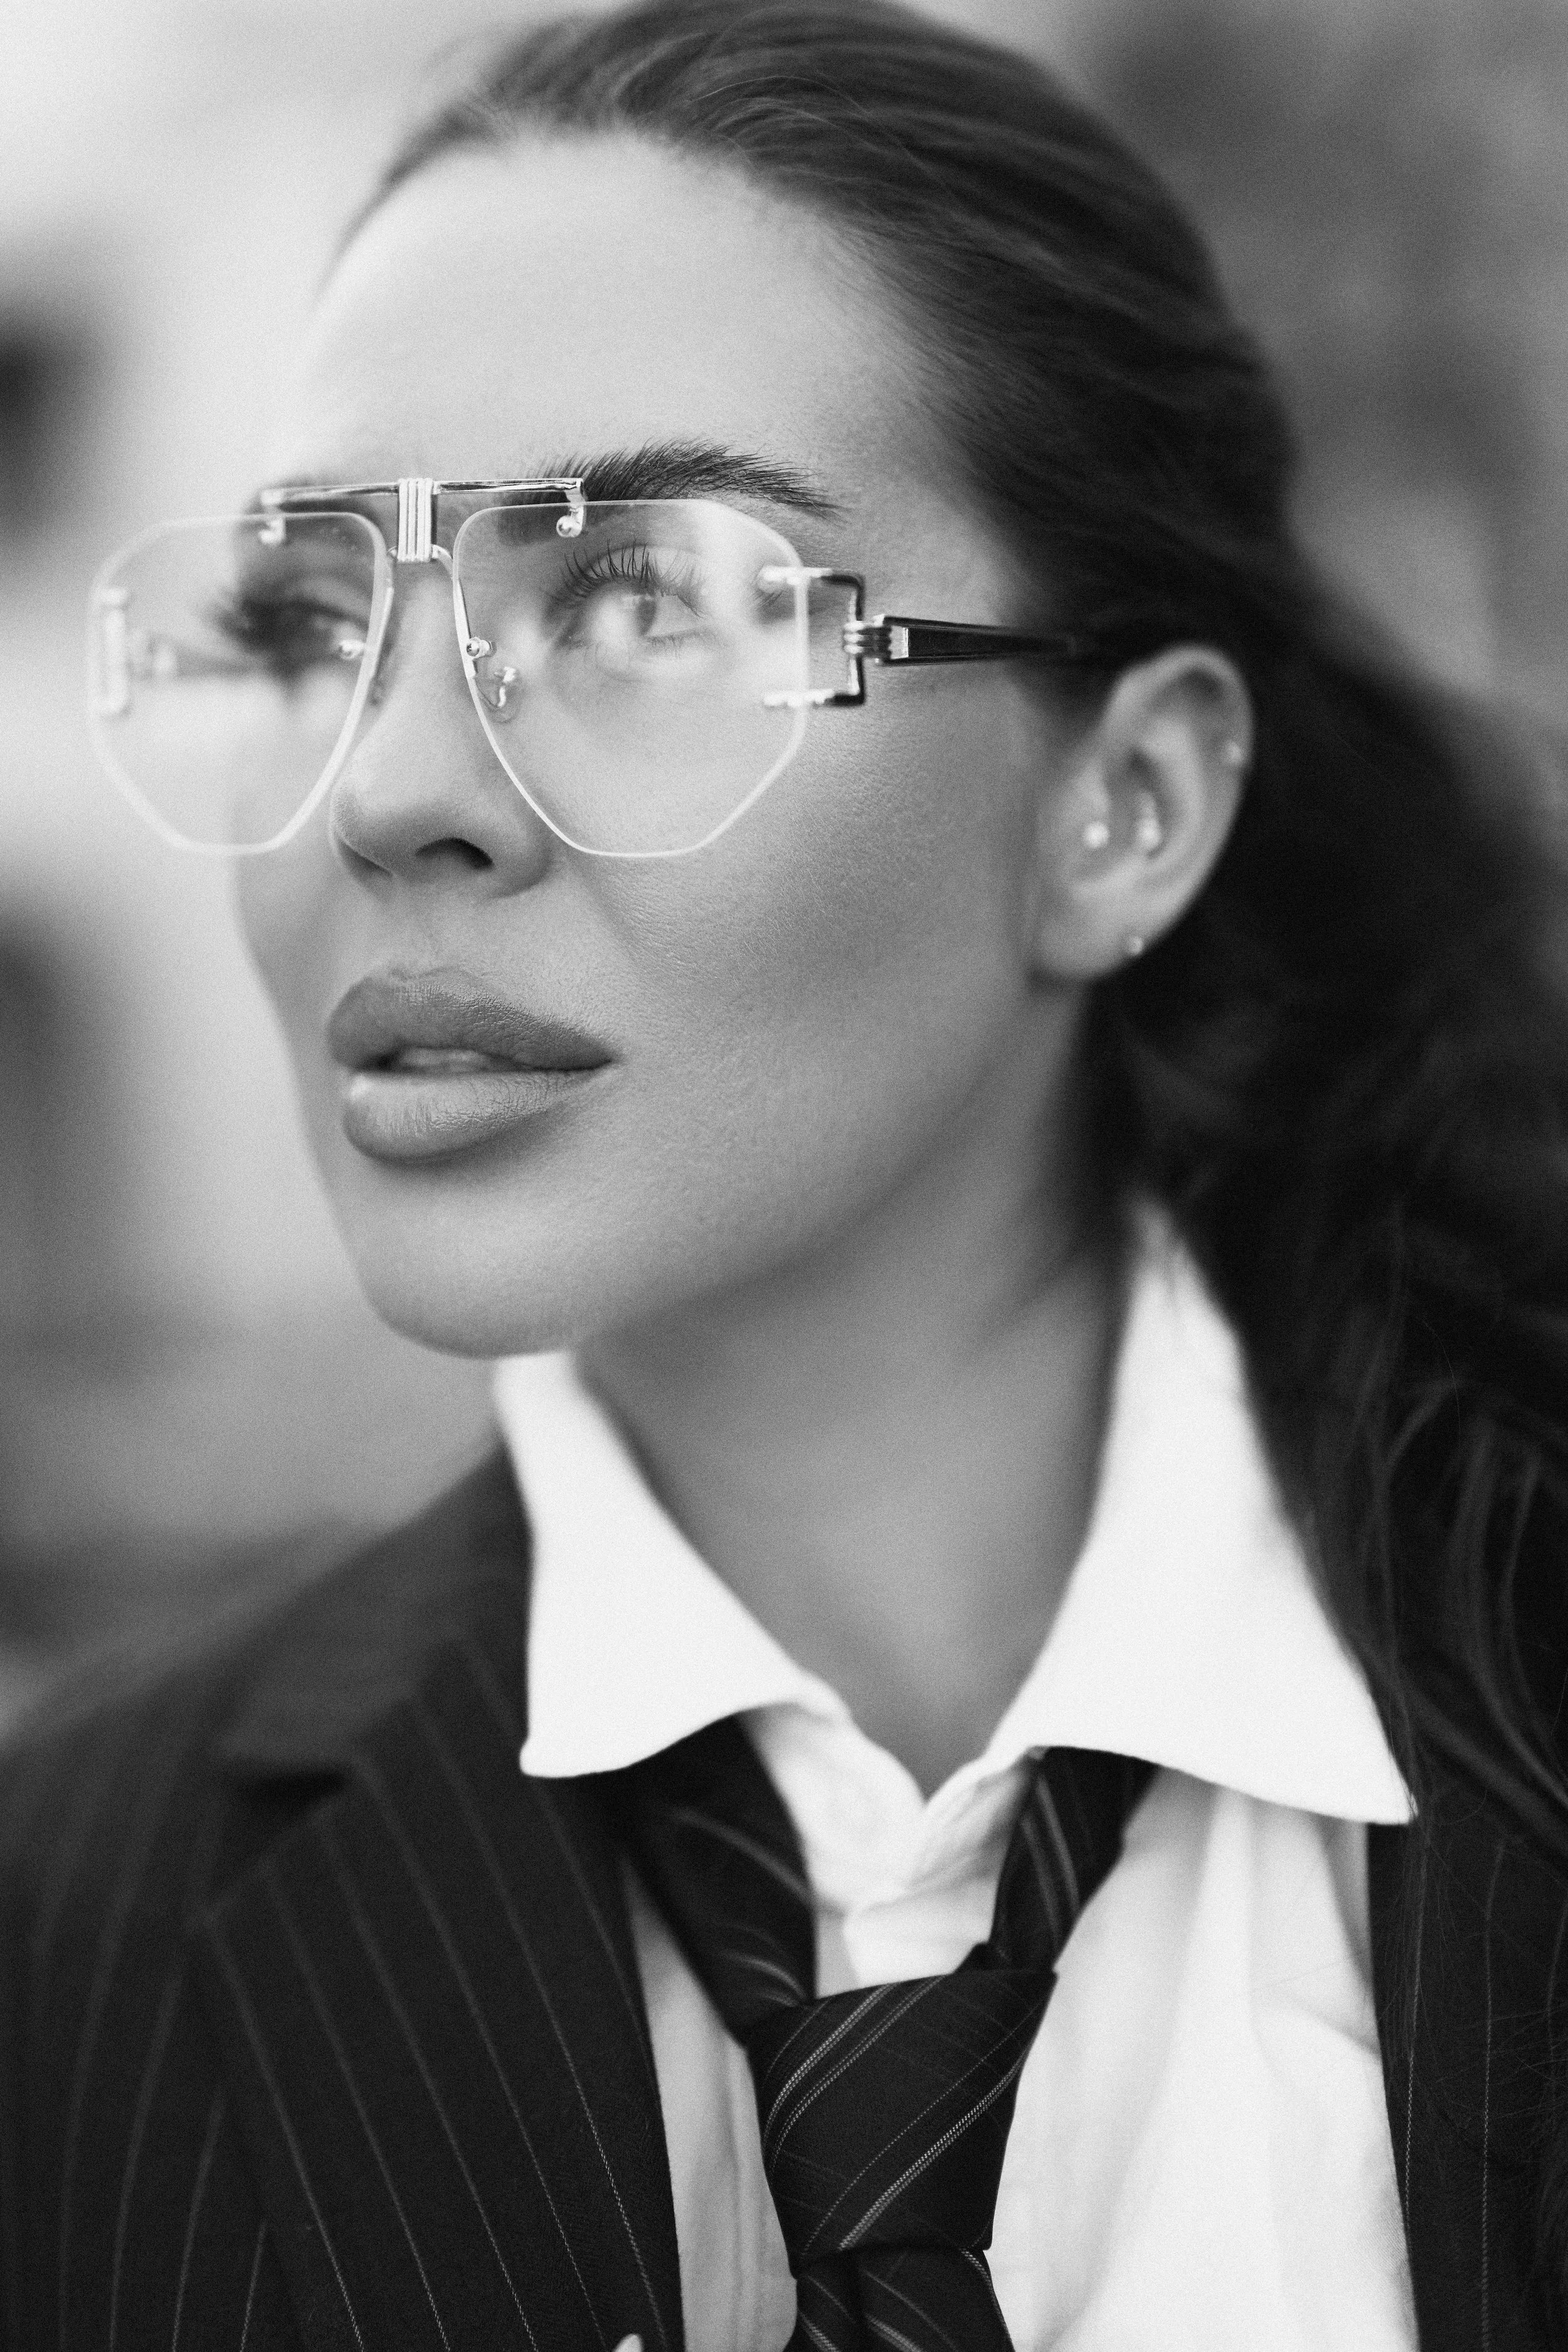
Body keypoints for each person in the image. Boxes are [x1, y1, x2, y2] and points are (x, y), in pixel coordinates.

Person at [5, 1, 1568, 2344]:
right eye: (314, 623)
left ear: (1120, 804)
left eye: (646, 600)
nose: (390, 787)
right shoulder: (59, 1923)